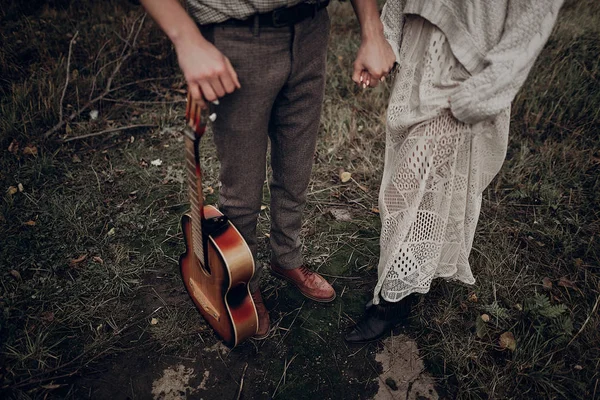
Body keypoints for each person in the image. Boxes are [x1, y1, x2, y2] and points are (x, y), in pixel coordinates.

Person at [346, 0, 564, 343]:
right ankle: (412, 271)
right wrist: (386, 36)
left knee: (411, 187)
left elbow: (533, 19)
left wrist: (482, 94)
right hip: (422, 46)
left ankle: (393, 300)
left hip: (464, 75)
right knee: (413, 183)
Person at [139, 0, 337, 339]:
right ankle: (244, 283)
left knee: (296, 168)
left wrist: (372, 28)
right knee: (242, 187)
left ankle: (286, 257)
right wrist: (186, 39)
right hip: (239, 37)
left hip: (312, 28)